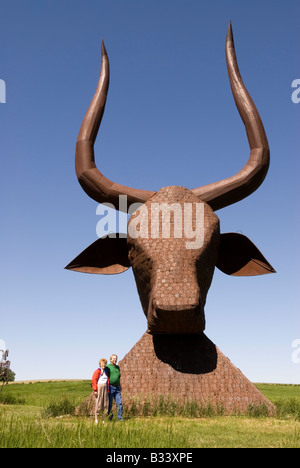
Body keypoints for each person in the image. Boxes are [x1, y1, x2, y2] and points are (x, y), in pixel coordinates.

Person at [92, 358, 110, 424]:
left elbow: (107, 381)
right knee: (98, 403)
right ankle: (96, 419)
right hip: (99, 387)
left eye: (104, 363)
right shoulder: (97, 371)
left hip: (105, 387)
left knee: (105, 403)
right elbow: (94, 380)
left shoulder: (106, 371)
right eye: (102, 363)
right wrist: (95, 390)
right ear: (100, 364)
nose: (103, 365)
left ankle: (103, 419)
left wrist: (108, 389)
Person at [107, 354, 123, 420]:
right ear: (110, 359)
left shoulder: (117, 367)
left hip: (117, 388)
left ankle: (119, 419)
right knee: (109, 404)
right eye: (113, 358)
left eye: (116, 358)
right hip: (110, 387)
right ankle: (110, 418)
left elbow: (118, 377)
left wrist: (120, 386)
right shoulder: (108, 367)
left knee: (119, 403)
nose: (115, 359)